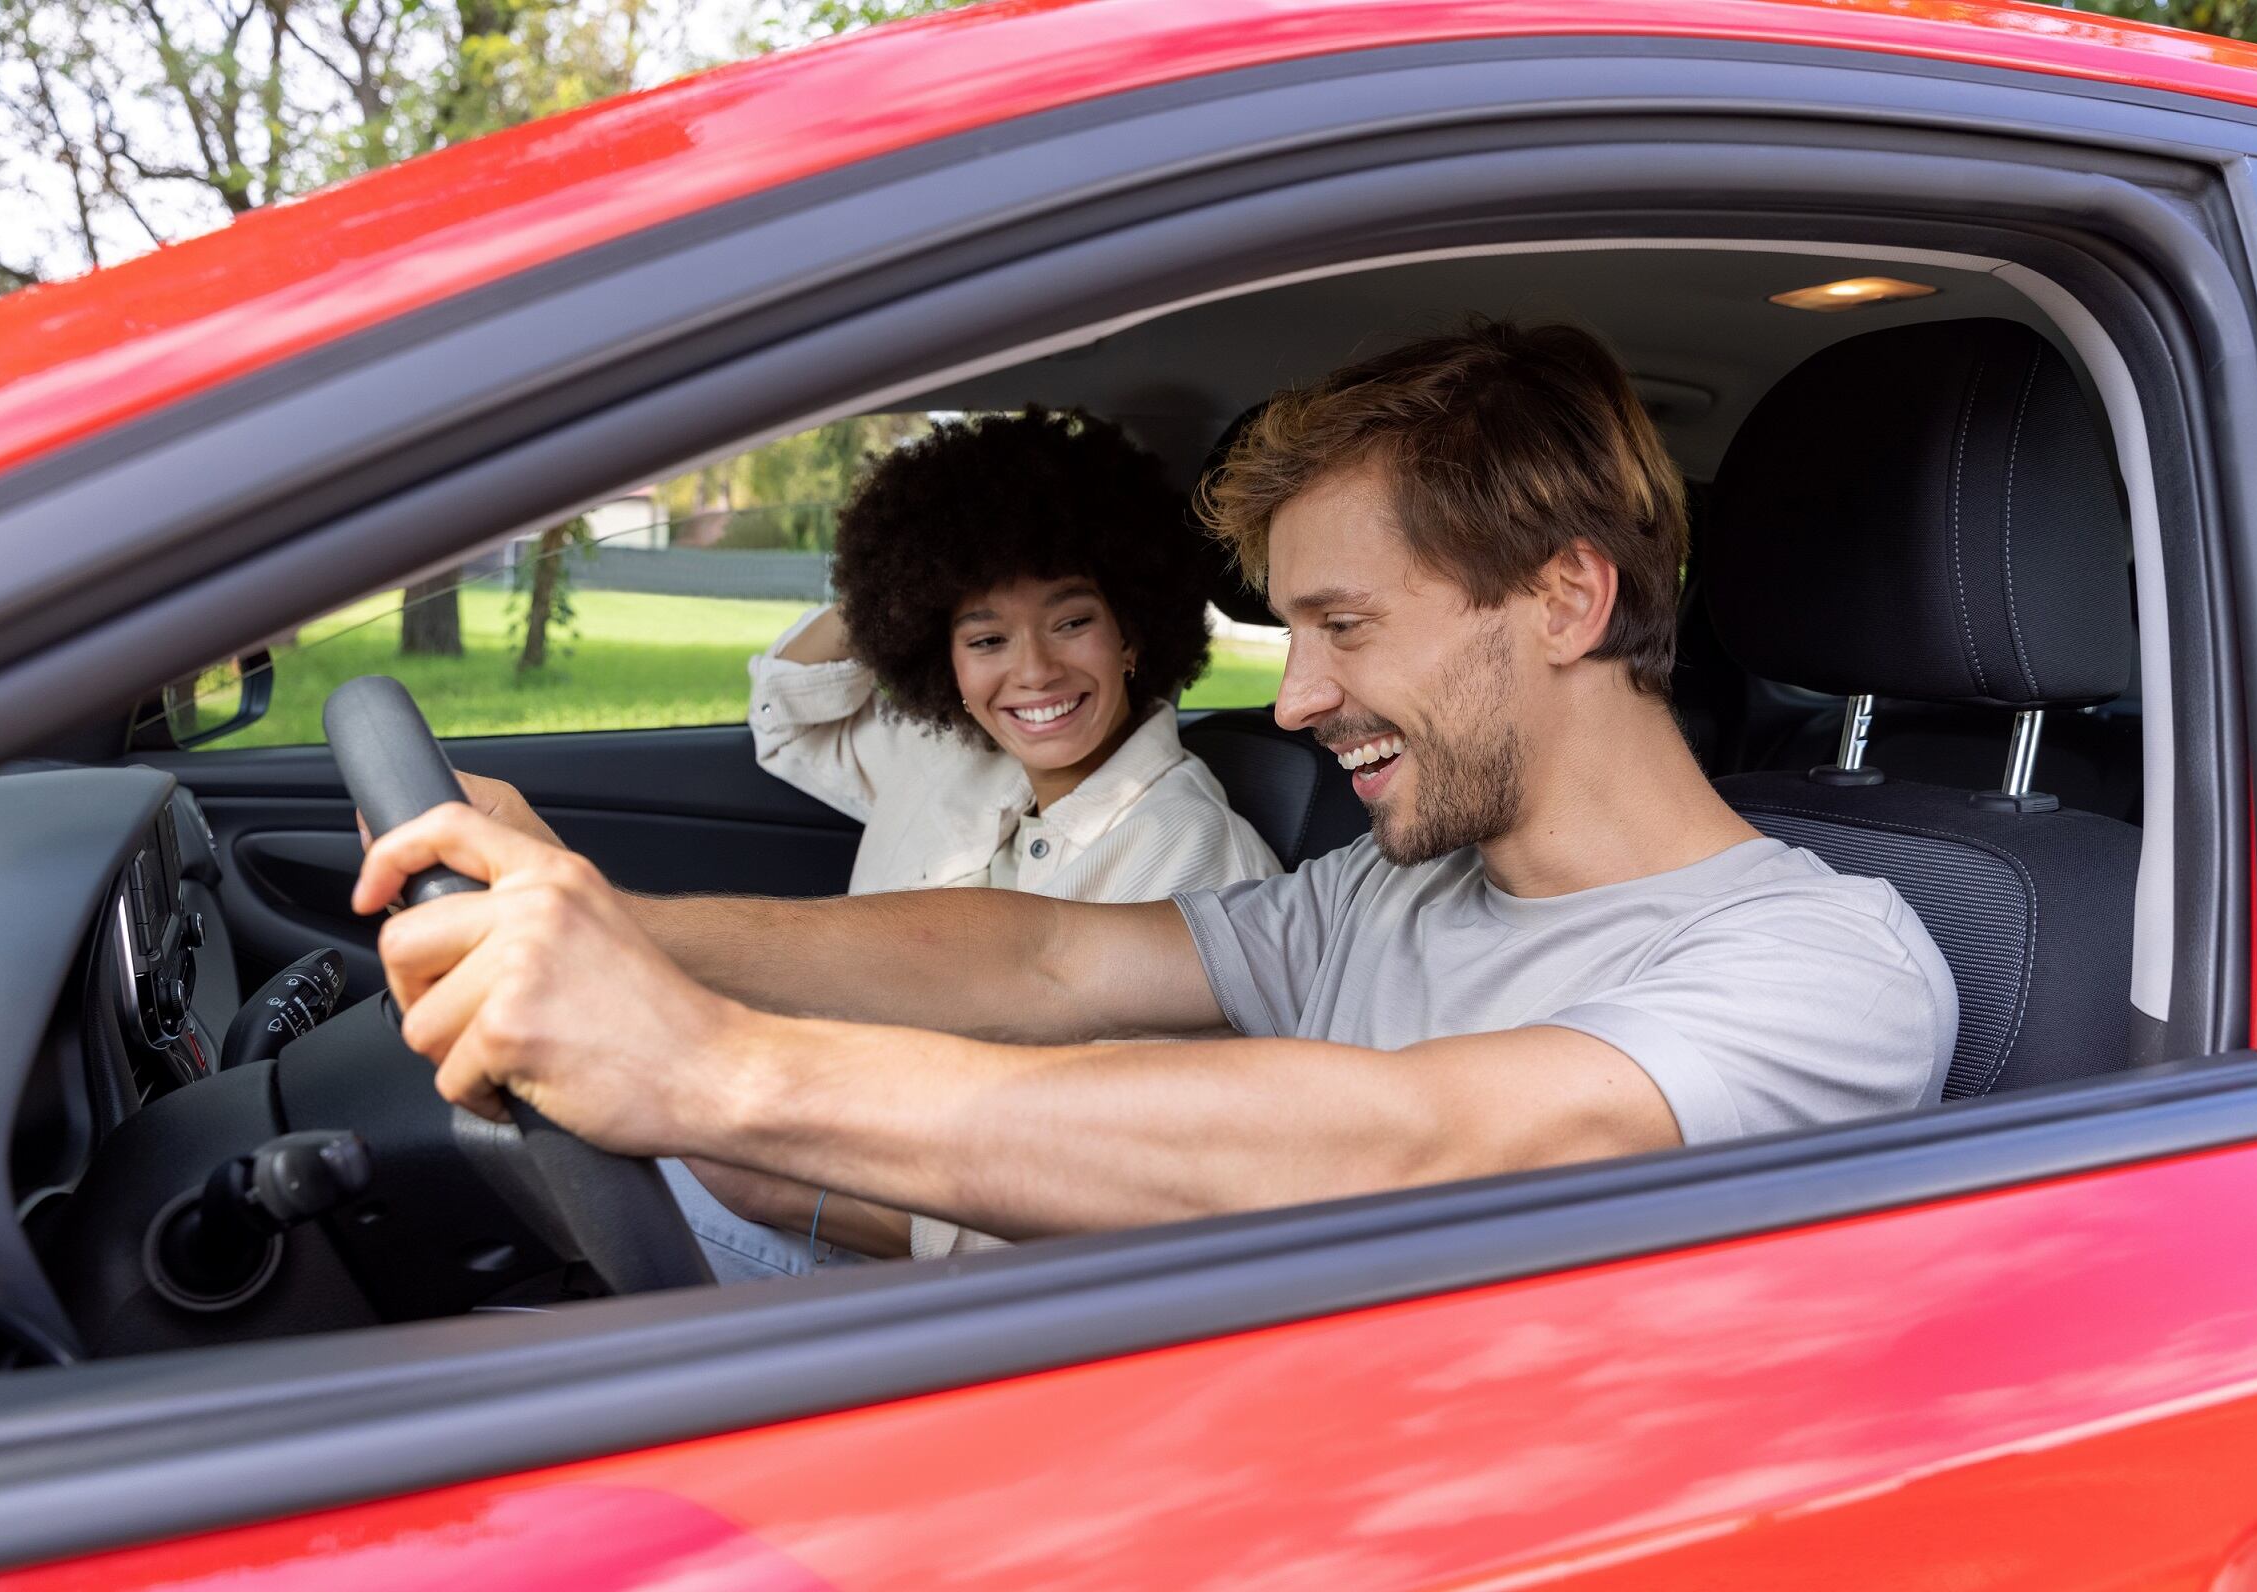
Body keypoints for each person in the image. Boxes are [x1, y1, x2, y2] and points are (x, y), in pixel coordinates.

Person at [361, 320, 1957, 1266]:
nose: (1297, 698)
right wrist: (613, 921)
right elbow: (1044, 956)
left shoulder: (1822, 967)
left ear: (1561, 599)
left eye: (1342, 627)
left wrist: (715, 1070)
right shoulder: (1393, 885)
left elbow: (1414, 1146)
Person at [673, 407, 1277, 1270]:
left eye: (1071, 621)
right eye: (986, 638)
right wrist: (915, 580)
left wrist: (784, 1189)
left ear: (1132, 633)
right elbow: (788, 710)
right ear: (940, 660)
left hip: (936, 1262)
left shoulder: (1191, 854)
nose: (1033, 670)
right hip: (817, 1127)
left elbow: (1118, 1193)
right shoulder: (949, 759)